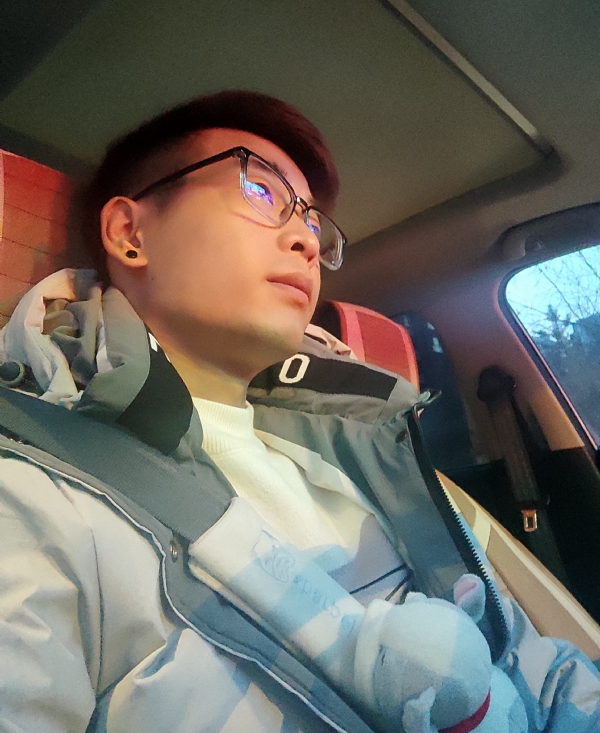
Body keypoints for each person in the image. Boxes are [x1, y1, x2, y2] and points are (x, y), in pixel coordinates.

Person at [0, 90, 598, 733]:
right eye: (261, 191)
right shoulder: (34, 493)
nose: (305, 241)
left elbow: (529, 667)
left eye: (312, 223)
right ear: (129, 233)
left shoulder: (369, 454)